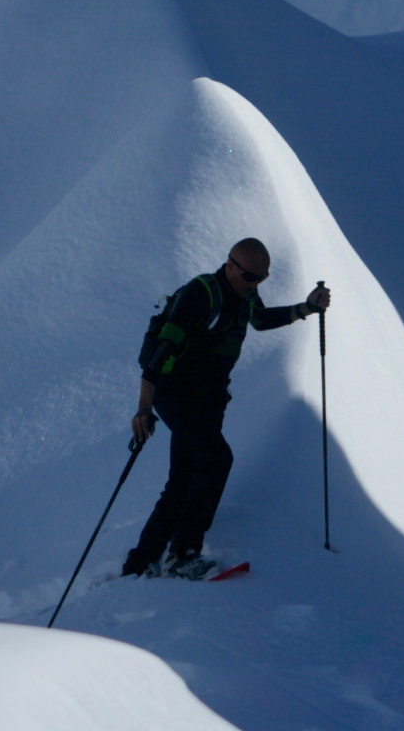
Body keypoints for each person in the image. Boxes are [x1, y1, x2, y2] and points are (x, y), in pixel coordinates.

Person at [124, 238, 330, 579]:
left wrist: (306, 308)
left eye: (261, 279)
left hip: (207, 400)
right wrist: (143, 410)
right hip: (177, 395)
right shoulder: (201, 294)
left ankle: (139, 563)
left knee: (183, 479)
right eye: (250, 277)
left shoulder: (245, 294)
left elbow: (261, 320)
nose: (255, 285)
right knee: (217, 459)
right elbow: (159, 354)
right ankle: (183, 554)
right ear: (230, 265)